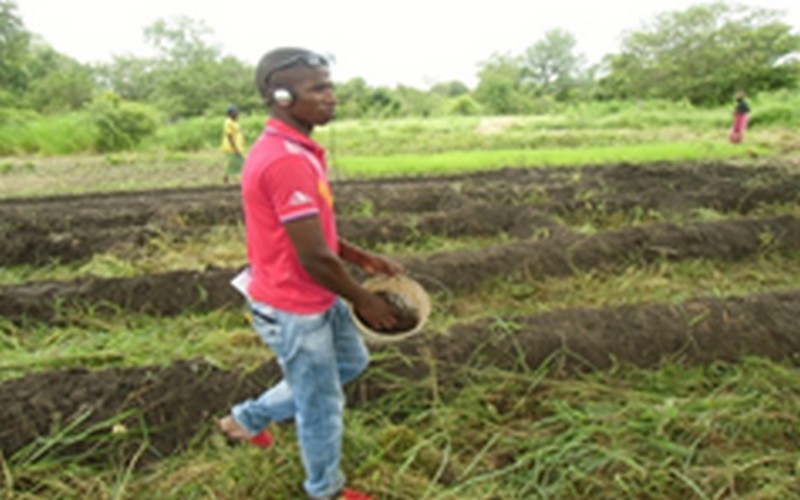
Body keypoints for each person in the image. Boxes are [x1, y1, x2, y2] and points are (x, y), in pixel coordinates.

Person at [217, 47, 402, 500]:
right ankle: (326, 490)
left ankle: (245, 420)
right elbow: (313, 257)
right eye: (318, 88)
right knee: (320, 402)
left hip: (316, 290)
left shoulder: (298, 149)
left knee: (352, 362)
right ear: (281, 96)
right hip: (294, 304)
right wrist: (364, 298)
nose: (331, 96)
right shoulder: (286, 160)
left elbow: (311, 234)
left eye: (330, 86)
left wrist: (358, 257)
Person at [222, 105, 246, 183]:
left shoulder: (235, 122)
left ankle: (227, 178)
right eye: (236, 112)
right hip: (231, 147)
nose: (238, 114)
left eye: (237, 112)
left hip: (237, 146)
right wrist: (235, 148)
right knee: (235, 162)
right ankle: (227, 178)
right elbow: (229, 136)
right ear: (231, 114)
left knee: (233, 163)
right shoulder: (228, 122)